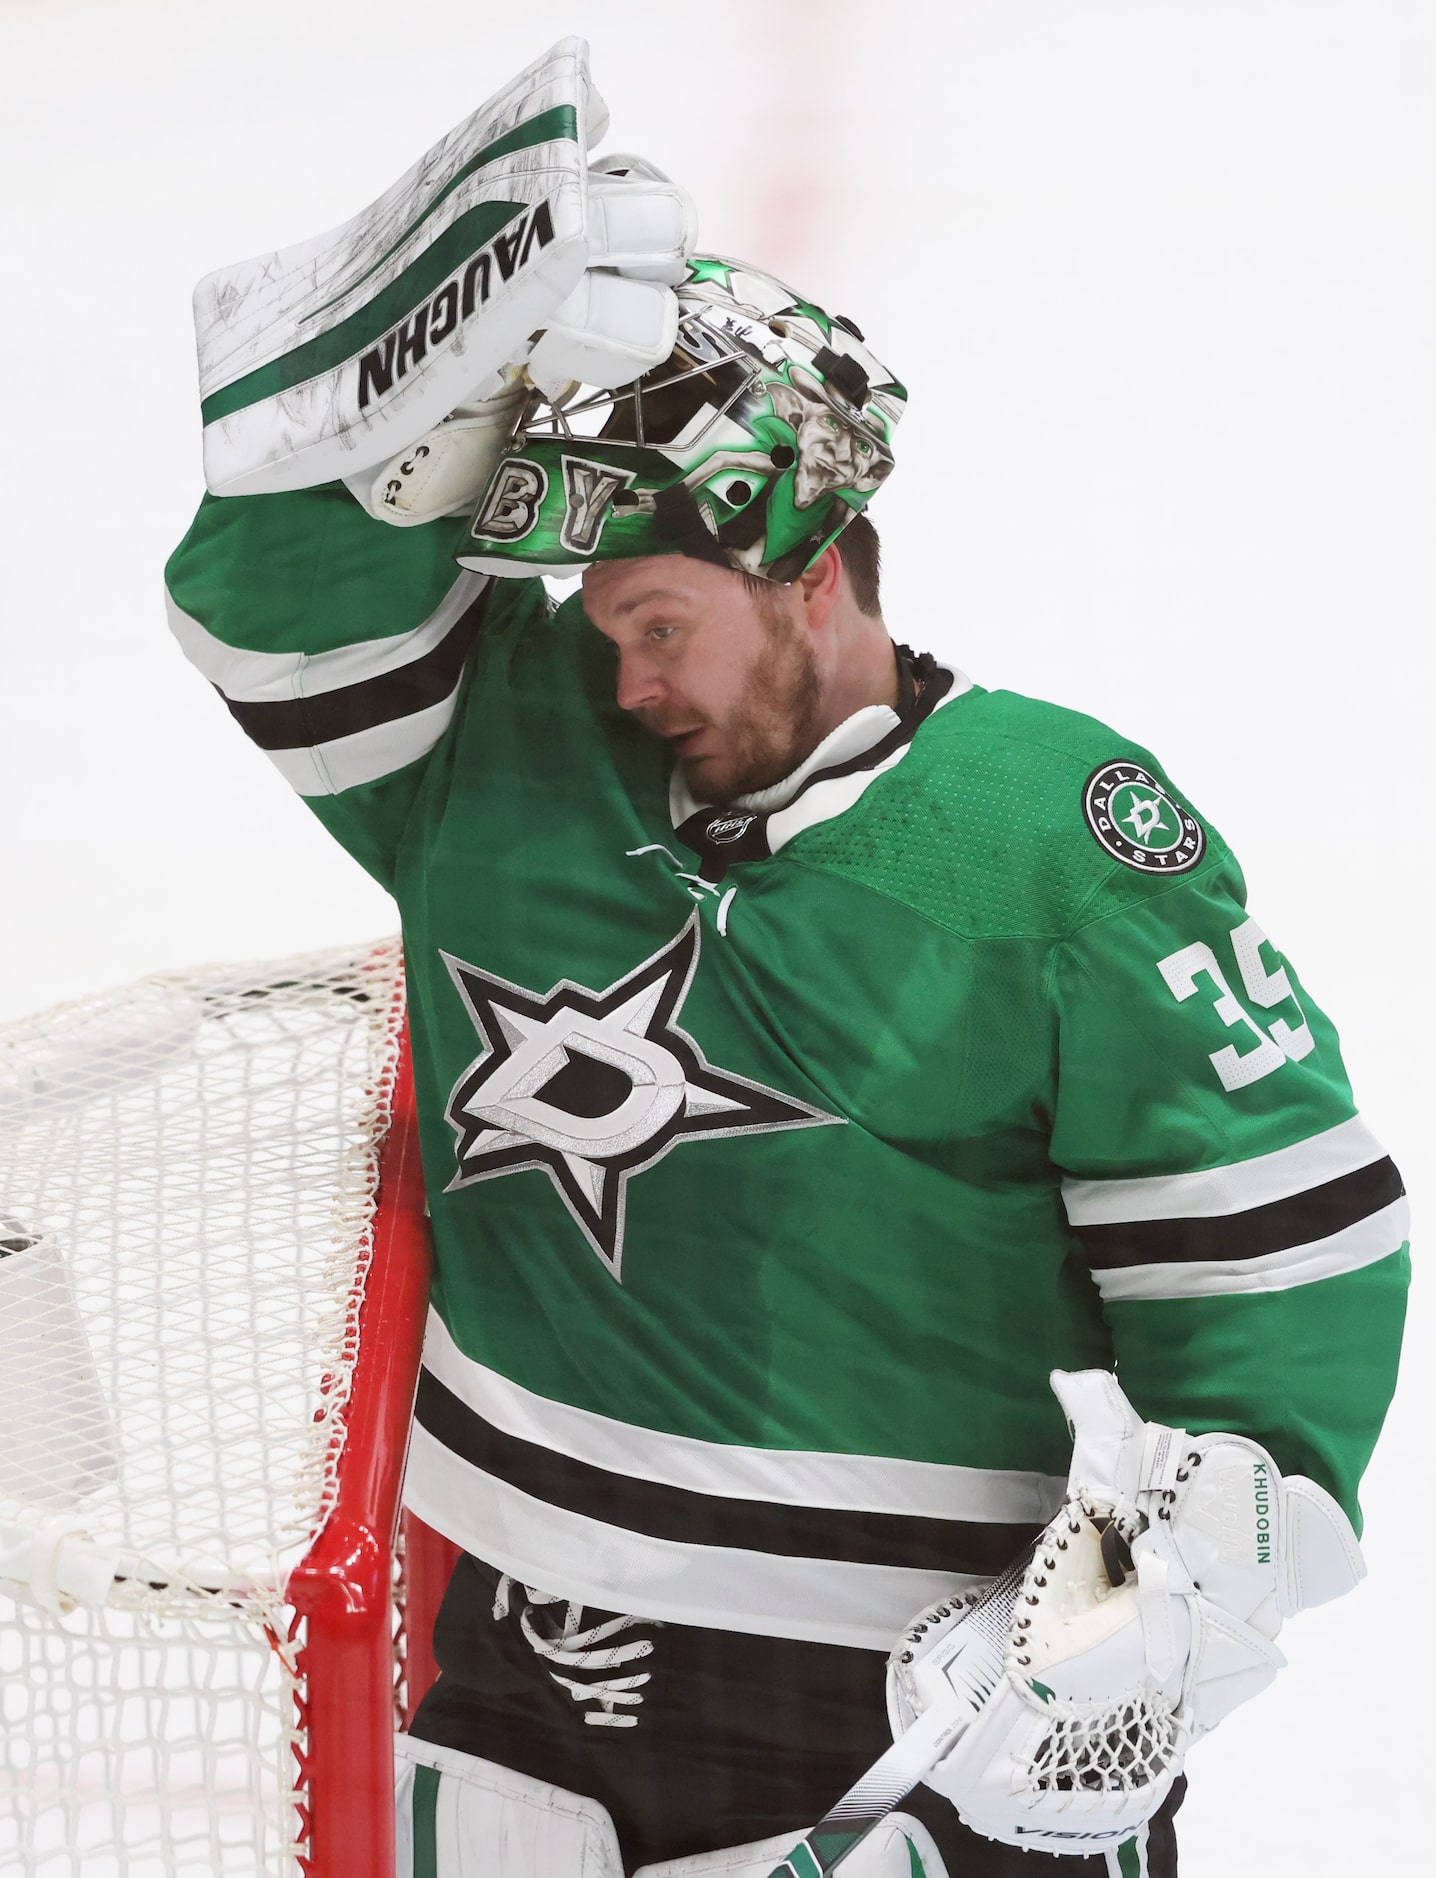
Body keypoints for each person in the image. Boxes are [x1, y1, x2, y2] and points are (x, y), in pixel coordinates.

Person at [165, 95, 1407, 1878]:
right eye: (596, 620)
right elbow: (269, 602)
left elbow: (1288, 1292)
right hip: (515, 1676)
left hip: (909, 1719)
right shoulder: (500, 754)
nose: (621, 674)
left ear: (811, 572)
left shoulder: (1054, 841)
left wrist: (1101, 1658)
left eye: (660, 621)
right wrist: (439, 339)